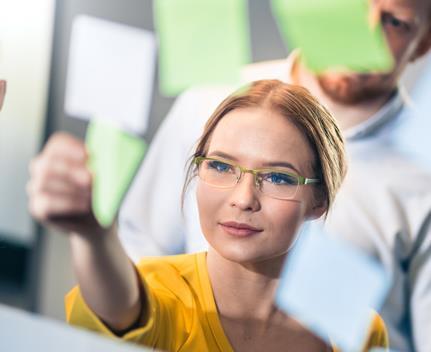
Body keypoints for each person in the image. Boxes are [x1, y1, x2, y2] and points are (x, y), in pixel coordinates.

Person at [118, 1, 431, 350]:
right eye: (352, 9)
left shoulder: (423, 175)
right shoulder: (208, 103)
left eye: (395, 22)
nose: (365, 34)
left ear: (424, 42)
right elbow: (138, 251)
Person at [27, 80, 387, 351]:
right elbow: (121, 308)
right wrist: (91, 232)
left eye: (277, 177)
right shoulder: (159, 290)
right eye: (220, 166)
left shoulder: (357, 330)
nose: (243, 198)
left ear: (319, 199)